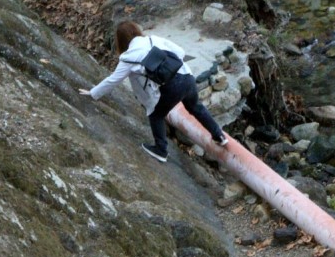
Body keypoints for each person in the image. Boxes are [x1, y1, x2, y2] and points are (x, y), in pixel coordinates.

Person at [80, 21, 228, 163]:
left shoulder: (128, 58)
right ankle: (219, 135)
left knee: (156, 114)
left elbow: (112, 80)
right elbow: (181, 52)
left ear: (121, 41)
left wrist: (93, 93)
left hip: (171, 87)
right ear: (137, 31)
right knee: (196, 107)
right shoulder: (153, 39)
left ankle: (161, 150)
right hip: (187, 76)